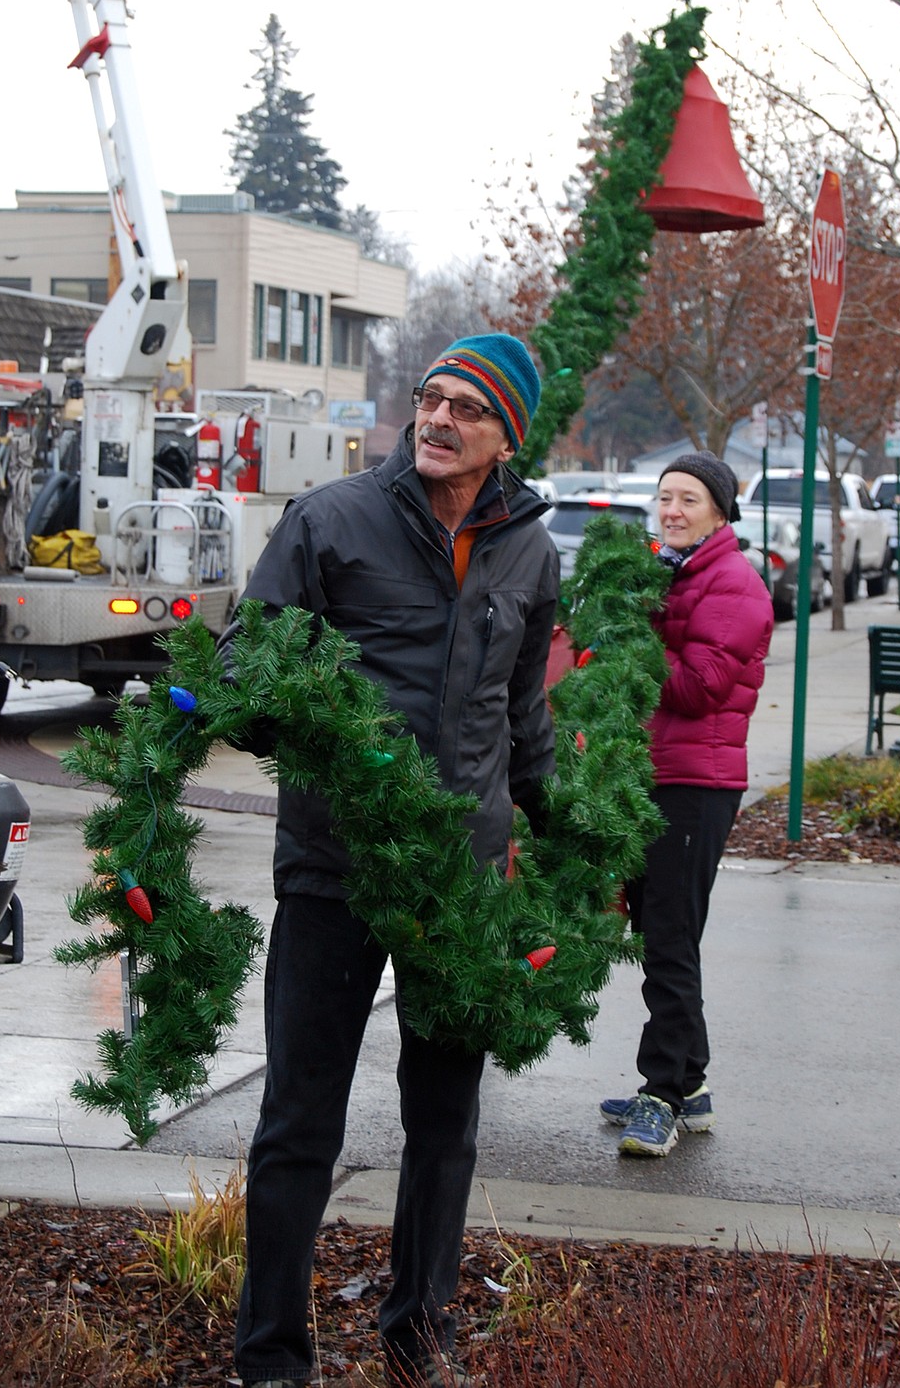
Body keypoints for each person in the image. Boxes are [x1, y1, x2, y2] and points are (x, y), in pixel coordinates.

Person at [220, 333, 559, 1388]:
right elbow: (244, 657)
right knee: (299, 1122)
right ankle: (271, 1357)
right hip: (336, 865)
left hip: (460, 880)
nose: (438, 418)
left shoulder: (529, 550)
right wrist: (306, 725)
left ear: (505, 437)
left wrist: (562, 841)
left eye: (466, 407)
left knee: (446, 1123)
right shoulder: (332, 520)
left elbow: (522, 712)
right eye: (430, 397)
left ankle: (419, 1333)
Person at [600, 450, 772, 1158]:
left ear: (720, 511)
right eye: (665, 497)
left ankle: (662, 1094)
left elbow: (699, 686)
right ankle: (689, 1084)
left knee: (670, 938)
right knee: (659, 929)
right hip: (656, 774)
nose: (672, 510)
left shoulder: (733, 583)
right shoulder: (677, 572)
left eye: (689, 499)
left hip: (696, 785)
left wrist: (629, 639)